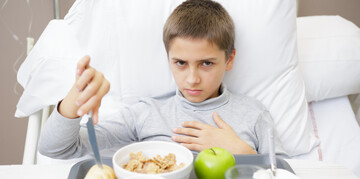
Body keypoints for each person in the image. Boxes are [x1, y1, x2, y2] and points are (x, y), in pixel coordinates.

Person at [38, 0, 286, 159]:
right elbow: (56, 148)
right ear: (168, 59)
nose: (192, 79)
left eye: (206, 64)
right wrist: (75, 100)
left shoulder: (253, 114)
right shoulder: (147, 114)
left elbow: (287, 176)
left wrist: (242, 151)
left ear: (229, 60)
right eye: (180, 63)